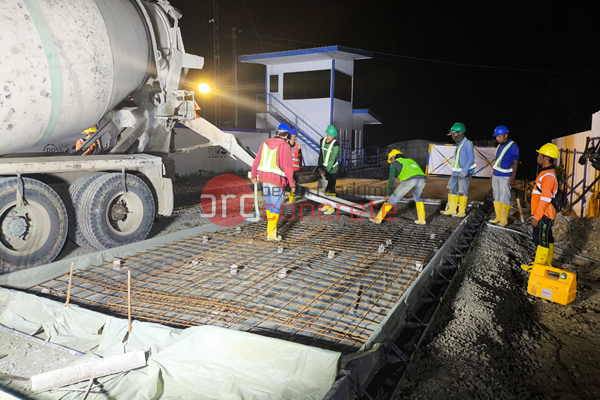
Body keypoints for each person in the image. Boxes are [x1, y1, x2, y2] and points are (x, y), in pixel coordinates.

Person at [251, 123, 296, 241]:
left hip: (264, 180)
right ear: (286, 135)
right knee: (276, 207)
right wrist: (292, 183)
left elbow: (256, 161)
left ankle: (270, 231)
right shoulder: (285, 146)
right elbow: (287, 167)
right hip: (276, 181)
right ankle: (271, 234)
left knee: (271, 206)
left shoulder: (265, 143)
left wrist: (254, 174)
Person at [521, 143, 559, 272]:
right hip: (546, 213)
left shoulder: (548, 176)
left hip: (544, 214)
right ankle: (547, 264)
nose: (538, 157)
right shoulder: (547, 173)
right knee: (547, 238)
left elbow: (545, 198)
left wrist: (537, 216)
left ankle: (538, 268)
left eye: (539, 155)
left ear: (546, 158)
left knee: (541, 240)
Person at [371, 149, 427, 225]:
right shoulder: (410, 160)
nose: (390, 162)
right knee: (417, 197)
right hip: (422, 179)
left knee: (392, 199)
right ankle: (422, 220)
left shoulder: (394, 163)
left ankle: (378, 218)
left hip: (409, 180)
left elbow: (391, 180)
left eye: (390, 160)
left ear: (393, 158)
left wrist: (388, 194)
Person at [440, 122, 476, 218]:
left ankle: (461, 211)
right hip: (456, 171)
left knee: (462, 191)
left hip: (465, 171)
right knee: (451, 188)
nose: (453, 136)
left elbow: (471, 158)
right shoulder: (459, 145)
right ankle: (452, 209)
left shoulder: (468, 143)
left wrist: (465, 170)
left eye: (454, 133)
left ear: (460, 133)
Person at [489, 125, 519, 227]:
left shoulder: (513, 145)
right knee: (496, 196)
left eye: (500, 136)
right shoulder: (499, 145)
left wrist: (513, 176)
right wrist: (493, 174)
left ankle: (504, 219)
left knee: (504, 197)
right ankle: (498, 217)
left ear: (506, 135)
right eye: (496, 137)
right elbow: (497, 161)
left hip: (506, 176)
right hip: (496, 175)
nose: (498, 138)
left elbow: (515, 162)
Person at [318, 125, 340, 215]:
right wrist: (320, 167)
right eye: (331, 135)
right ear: (326, 134)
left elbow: (332, 160)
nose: (333, 137)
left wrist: (326, 171)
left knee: (331, 188)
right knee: (324, 188)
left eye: (333, 136)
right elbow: (321, 154)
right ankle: (326, 205)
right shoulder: (322, 141)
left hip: (332, 170)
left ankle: (331, 208)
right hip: (323, 169)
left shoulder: (335, 145)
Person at [287, 128, 303, 203]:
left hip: (296, 170)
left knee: (294, 186)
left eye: (295, 136)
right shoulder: (285, 145)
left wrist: (300, 169)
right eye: (292, 136)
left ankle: (291, 200)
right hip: (287, 170)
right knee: (287, 185)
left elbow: (300, 158)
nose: (293, 138)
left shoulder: (298, 147)